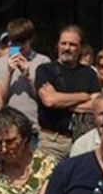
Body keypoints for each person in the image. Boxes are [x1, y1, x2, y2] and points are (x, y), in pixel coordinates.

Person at [35, 25, 99, 161]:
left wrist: (60, 101)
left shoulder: (89, 73)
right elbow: (49, 100)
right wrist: (83, 96)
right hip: (52, 142)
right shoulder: (45, 70)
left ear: (80, 48)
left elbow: (96, 104)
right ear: (57, 45)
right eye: (63, 43)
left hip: (83, 140)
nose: (67, 48)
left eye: (72, 44)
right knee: (46, 181)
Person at [0, 17, 50, 124]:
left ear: (31, 39)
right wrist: (9, 73)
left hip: (34, 124)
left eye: (22, 41)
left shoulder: (43, 61)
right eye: (14, 41)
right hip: (8, 124)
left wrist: (28, 77)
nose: (18, 46)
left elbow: (45, 99)